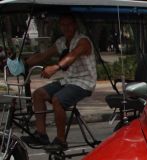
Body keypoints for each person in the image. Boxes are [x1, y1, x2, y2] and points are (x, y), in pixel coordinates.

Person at [22, 14, 96, 151]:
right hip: (68, 80)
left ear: (75, 25)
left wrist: (55, 67)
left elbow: (72, 56)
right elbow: (44, 56)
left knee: (58, 99)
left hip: (84, 82)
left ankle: (61, 140)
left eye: (69, 25)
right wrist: (22, 63)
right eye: (63, 25)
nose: (66, 28)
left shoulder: (83, 41)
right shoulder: (61, 42)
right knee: (38, 94)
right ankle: (41, 134)